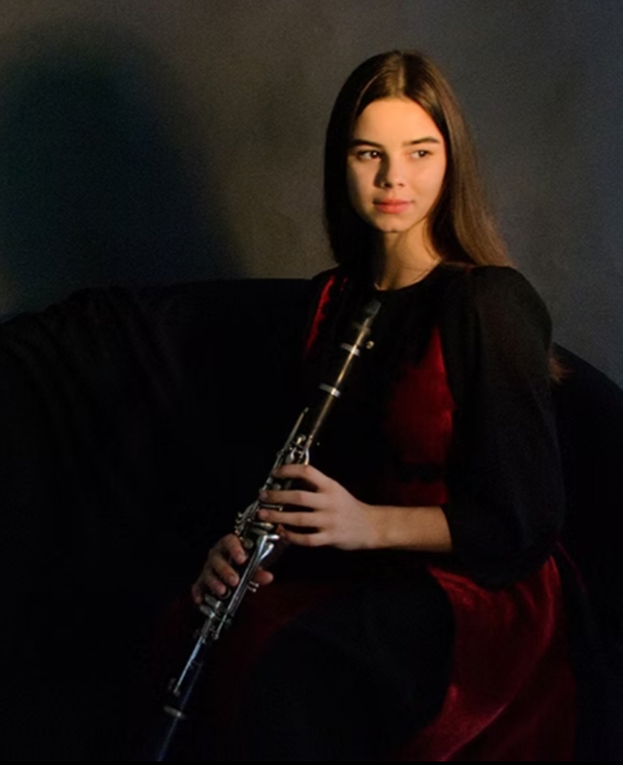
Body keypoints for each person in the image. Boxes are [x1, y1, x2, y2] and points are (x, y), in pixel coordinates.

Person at [183, 50, 575, 760]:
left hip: (476, 588)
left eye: (419, 152)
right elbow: (294, 471)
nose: (395, 179)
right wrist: (230, 547)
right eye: (371, 153)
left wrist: (366, 524)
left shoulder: (487, 302)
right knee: (194, 635)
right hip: (357, 560)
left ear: (451, 162)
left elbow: (526, 519)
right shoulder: (331, 299)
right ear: (343, 163)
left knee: (296, 676)